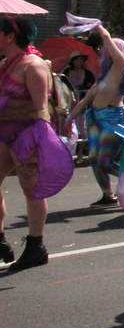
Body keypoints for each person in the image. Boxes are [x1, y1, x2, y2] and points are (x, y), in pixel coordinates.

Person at [0, 16, 75, 270]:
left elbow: (42, 108)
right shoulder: (5, 65)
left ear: (10, 35)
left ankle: (36, 246)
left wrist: (42, 143)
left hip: (27, 133)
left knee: (31, 189)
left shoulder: (34, 66)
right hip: (3, 132)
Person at [69, 26, 124, 212]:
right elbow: (86, 100)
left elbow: (116, 53)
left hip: (112, 121)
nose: (104, 51)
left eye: (108, 48)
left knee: (104, 161)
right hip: (95, 120)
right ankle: (108, 195)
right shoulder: (103, 76)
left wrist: (100, 29)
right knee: (94, 159)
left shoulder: (118, 71)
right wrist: (68, 119)